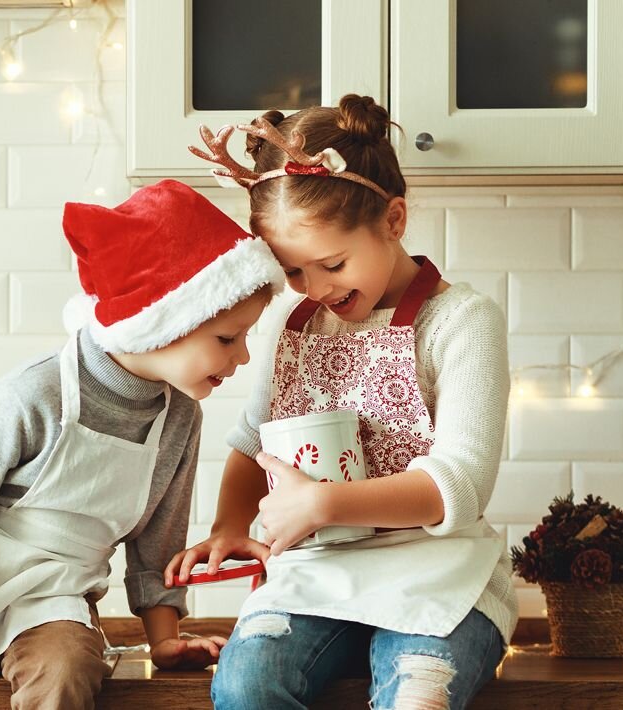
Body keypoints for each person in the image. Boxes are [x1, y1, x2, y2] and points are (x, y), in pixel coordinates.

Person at [0, 179, 284, 709]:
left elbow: (157, 546)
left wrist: (164, 639)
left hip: (55, 599)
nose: (243, 358)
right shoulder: (35, 394)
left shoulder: (180, 418)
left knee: (65, 675)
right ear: (161, 323)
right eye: (226, 338)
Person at [176, 95, 516, 710]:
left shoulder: (461, 322)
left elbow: (458, 486)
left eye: (332, 263)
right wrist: (229, 527)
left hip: (440, 573)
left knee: (420, 692)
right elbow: (253, 441)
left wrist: (323, 502)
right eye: (296, 272)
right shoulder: (293, 323)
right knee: (247, 688)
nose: (318, 289)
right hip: (317, 578)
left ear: (393, 220)